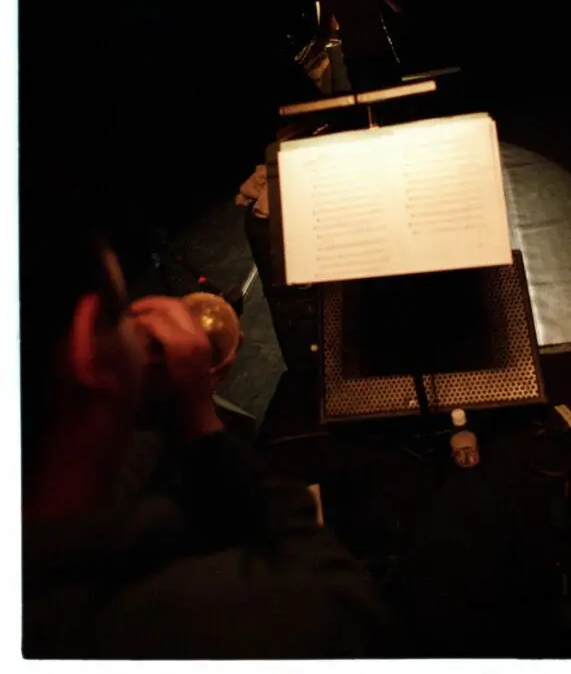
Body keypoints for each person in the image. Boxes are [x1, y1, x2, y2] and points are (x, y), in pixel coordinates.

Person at [20, 188, 393, 659]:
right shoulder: (179, 619)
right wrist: (199, 423)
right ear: (87, 347)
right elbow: (345, 604)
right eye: (123, 310)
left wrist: (140, 401)